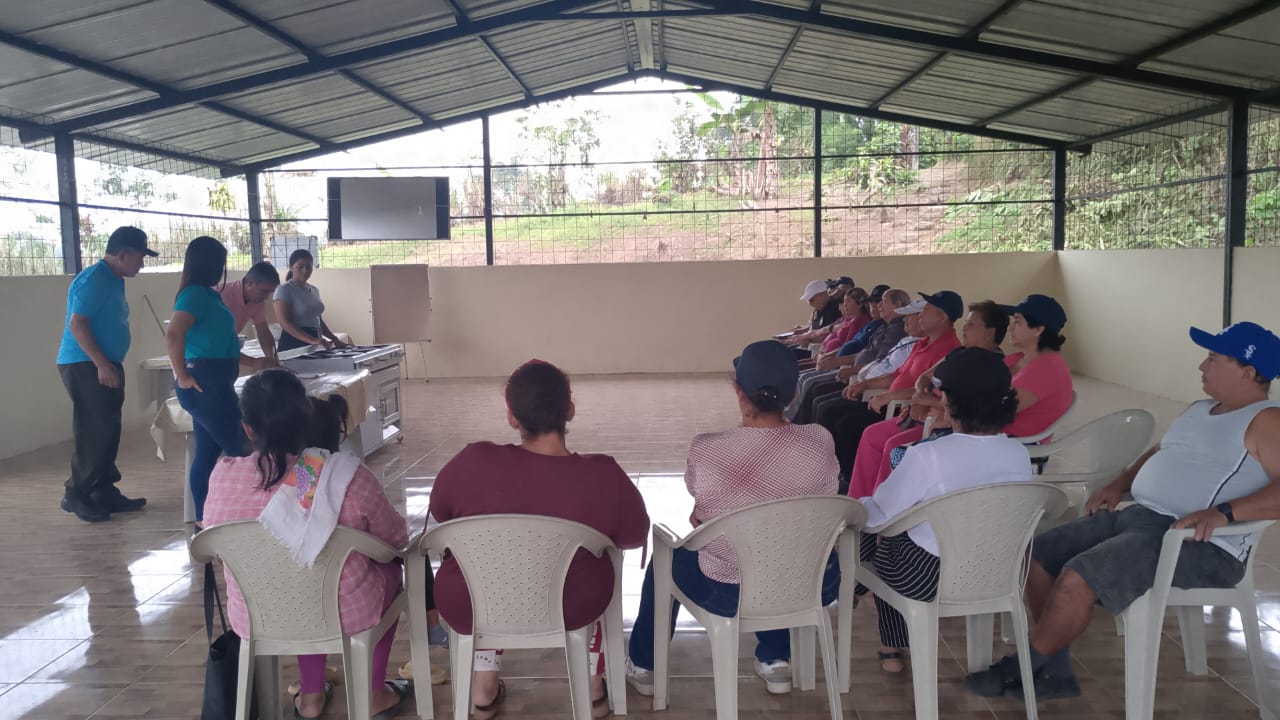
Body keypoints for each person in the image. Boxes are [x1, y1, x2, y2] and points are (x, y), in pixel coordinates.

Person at [965, 321, 1280, 700]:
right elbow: (1162, 451)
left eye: (1213, 358)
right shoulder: (1201, 409)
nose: (1202, 366)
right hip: (1142, 518)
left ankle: (1022, 668)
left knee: (1080, 574)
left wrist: (1224, 513)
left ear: (1248, 371)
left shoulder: (1267, 421)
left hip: (1199, 543)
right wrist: (1120, 483)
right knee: (1035, 555)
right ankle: (1054, 671)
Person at [428, 360, 649, 719]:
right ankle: (593, 688)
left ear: (512, 417)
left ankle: (483, 687)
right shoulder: (604, 477)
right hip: (571, 605)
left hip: (471, 604)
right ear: (570, 409)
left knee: (489, 575)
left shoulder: (471, 462)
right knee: (597, 567)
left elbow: (441, 512)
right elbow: (634, 535)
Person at [626, 340, 841, 698]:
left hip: (728, 592)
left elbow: (699, 512)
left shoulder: (706, 448)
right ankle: (776, 659)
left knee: (669, 559)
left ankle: (644, 666)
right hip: (809, 584)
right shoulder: (820, 440)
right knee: (778, 546)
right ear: (793, 396)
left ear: (738, 392)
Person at [202, 369, 411, 720]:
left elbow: (210, 540)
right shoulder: (340, 476)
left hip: (256, 612)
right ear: (306, 417)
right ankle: (374, 693)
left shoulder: (223, 475)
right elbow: (395, 539)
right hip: (344, 612)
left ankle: (311, 698)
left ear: (248, 428)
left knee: (300, 582)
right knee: (381, 572)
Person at [856, 347, 1033, 672]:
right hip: (997, 572)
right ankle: (871, 612)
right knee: (893, 540)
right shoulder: (1019, 453)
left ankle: (886, 638)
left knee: (875, 537)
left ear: (949, 403)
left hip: (931, 577)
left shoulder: (928, 455)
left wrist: (855, 508)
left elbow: (879, 516)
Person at [846, 300, 1010, 498]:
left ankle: (883, 505)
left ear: (990, 332)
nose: (964, 328)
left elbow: (969, 406)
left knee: (892, 447)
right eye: (966, 323)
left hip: (944, 425)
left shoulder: (992, 367)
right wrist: (919, 396)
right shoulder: (959, 353)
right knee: (871, 434)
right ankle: (860, 499)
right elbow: (924, 377)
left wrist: (926, 402)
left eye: (971, 324)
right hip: (921, 414)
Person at [55, 226, 157, 522]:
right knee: (94, 430)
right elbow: (77, 324)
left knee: (108, 430)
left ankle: (103, 490)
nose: (142, 264)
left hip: (104, 363)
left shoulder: (114, 279)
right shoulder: (95, 279)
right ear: (122, 254)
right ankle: (76, 493)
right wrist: (101, 364)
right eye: (140, 257)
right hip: (86, 364)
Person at [821, 291, 964, 481]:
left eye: (926, 310)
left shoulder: (950, 349)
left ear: (943, 317)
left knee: (848, 424)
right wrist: (864, 385)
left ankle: (847, 478)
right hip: (887, 401)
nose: (920, 315)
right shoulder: (921, 343)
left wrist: (887, 397)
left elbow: (930, 391)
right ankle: (834, 473)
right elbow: (896, 374)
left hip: (902, 409)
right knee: (831, 412)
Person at [166, 236, 247, 525]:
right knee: (242, 448)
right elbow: (174, 334)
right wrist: (182, 375)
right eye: (219, 264)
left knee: (207, 452)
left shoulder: (209, 296)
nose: (221, 270)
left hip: (218, 381)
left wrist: (255, 362)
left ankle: (204, 518)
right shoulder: (193, 295)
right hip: (205, 384)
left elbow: (220, 343)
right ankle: (248, 514)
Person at [999, 294, 1074, 438]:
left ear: (1038, 329)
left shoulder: (1047, 369)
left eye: (1017, 322)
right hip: (992, 435)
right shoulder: (1017, 358)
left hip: (1015, 443)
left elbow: (995, 411)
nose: (1010, 328)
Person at [274, 249, 348, 353]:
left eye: (308, 267)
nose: (305, 270)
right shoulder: (284, 290)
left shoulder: (314, 290)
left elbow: (318, 321)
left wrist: (334, 339)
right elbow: (284, 323)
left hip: (315, 340)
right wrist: (311, 340)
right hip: (293, 343)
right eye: (300, 267)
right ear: (291, 267)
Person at [218, 261, 280, 370]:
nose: (266, 297)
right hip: (201, 356)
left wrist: (272, 361)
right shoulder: (222, 296)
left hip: (224, 354)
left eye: (270, 292)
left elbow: (263, 332)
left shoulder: (257, 301)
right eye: (264, 291)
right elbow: (219, 342)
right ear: (249, 283)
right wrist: (253, 362)